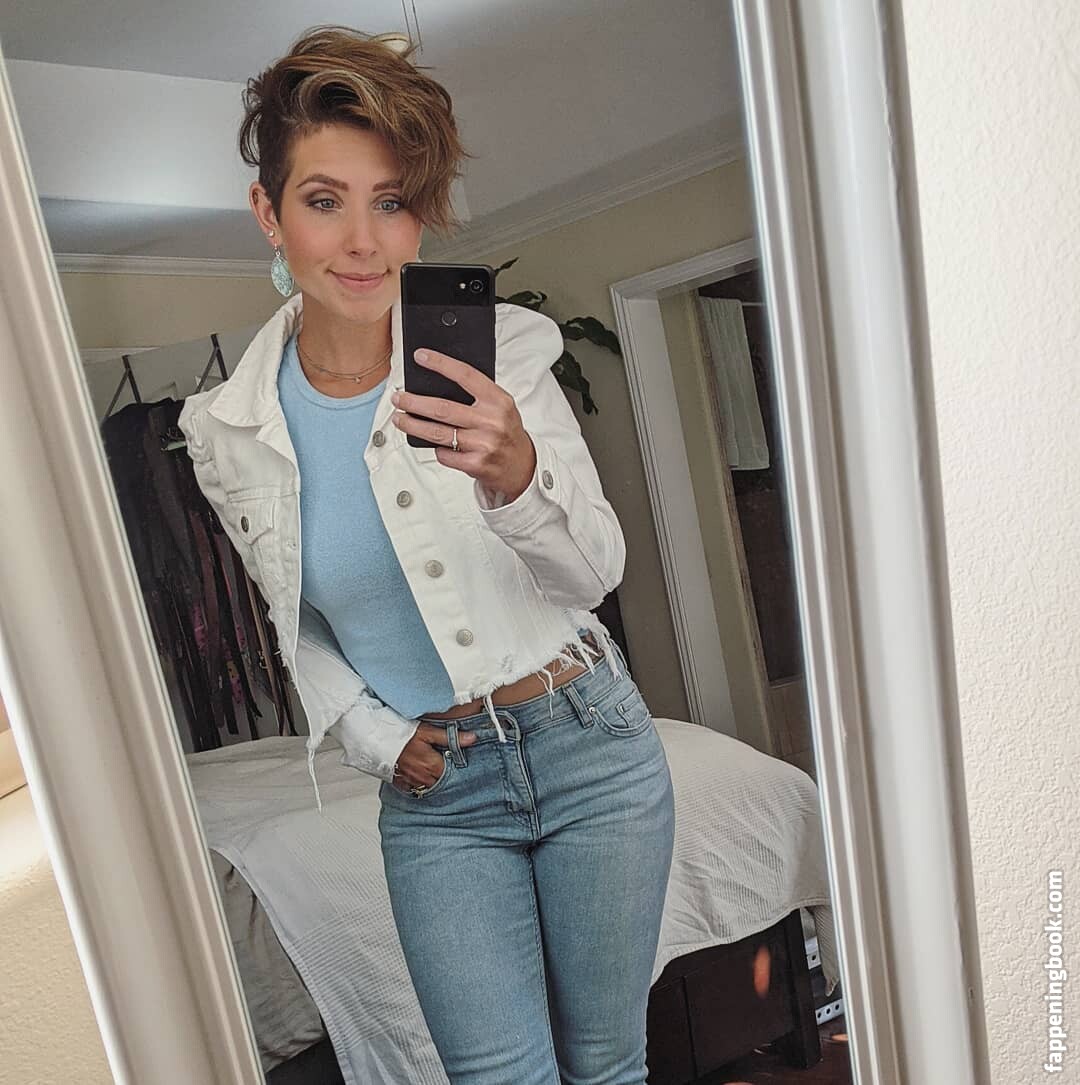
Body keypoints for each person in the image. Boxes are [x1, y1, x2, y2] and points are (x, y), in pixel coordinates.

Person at [178, 25, 676, 1085]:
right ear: (268, 212)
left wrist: (517, 475)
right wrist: (372, 733)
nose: (363, 241)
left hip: (588, 738)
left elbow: (592, 576)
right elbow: (295, 620)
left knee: (607, 1065)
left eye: (392, 201)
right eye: (325, 200)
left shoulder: (507, 355)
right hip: (437, 792)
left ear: (421, 216)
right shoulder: (225, 428)